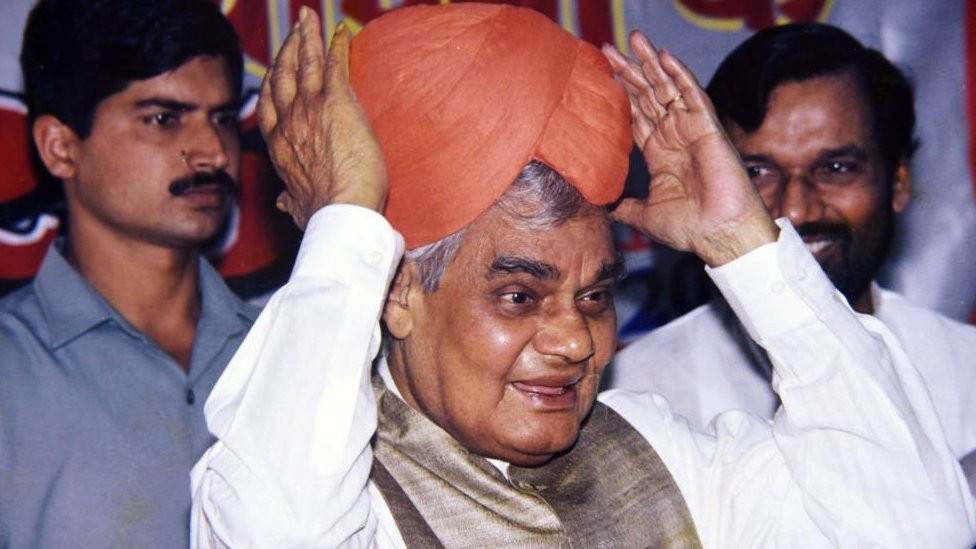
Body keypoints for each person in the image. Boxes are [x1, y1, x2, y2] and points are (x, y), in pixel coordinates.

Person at [190, 6, 975, 547]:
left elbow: (913, 528)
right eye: (519, 296)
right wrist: (348, 230)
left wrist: (747, 245)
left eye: (594, 295)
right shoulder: (348, 498)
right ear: (396, 290)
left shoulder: (663, 455)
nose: (574, 340)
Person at [606, 23, 976, 461]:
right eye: (757, 173)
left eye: (836, 168)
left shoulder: (966, 371)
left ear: (898, 182)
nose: (796, 210)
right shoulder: (638, 391)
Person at [0, 1, 258, 547]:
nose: (213, 152)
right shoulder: (12, 373)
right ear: (60, 147)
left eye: (222, 118)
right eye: (164, 119)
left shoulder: (282, 350)